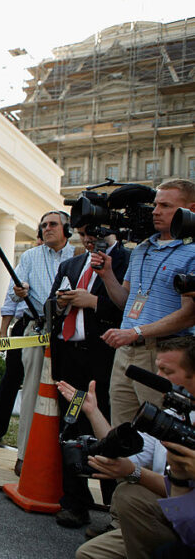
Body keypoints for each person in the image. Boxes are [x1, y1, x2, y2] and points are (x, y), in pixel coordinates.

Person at [57, 337, 195, 557]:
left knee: (130, 495)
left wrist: (135, 474)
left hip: (186, 520)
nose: (158, 378)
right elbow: (128, 455)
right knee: (89, 554)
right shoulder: (171, 416)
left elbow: (137, 471)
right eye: (157, 369)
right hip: (169, 515)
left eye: (166, 371)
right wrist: (93, 412)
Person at [95, 179, 195, 427]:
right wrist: (107, 275)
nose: (156, 211)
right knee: (122, 429)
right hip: (126, 350)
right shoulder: (141, 248)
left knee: (160, 432)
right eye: (155, 205)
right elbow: (125, 302)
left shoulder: (192, 252)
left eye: (165, 206)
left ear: (190, 209)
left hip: (163, 356)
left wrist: (136, 332)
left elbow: (189, 315)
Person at [49, 226, 130, 528]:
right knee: (70, 427)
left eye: (93, 232)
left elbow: (129, 310)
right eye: (82, 232)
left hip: (102, 361)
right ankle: (75, 502)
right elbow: (50, 307)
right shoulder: (69, 265)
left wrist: (93, 302)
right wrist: (59, 303)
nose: (87, 238)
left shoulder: (126, 260)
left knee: (106, 430)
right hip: (70, 360)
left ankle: (116, 511)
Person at [9, 210, 76, 475]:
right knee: (32, 393)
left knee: (67, 395)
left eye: (52, 224)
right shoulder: (29, 256)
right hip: (36, 328)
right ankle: (24, 455)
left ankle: (64, 459)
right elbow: (13, 297)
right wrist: (19, 291)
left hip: (68, 332)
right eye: (43, 225)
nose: (46, 229)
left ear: (66, 229)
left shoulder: (77, 257)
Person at [0, 230, 44, 446]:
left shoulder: (67, 261)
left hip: (52, 328)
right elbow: (11, 299)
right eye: (39, 239)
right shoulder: (27, 262)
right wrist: (3, 332)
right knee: (12, 378)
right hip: (24, 326)